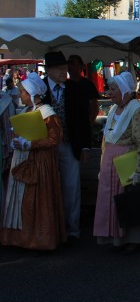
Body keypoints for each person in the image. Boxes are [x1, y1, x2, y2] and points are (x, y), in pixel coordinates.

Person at [93, 72, 140, 253]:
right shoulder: (114, 110)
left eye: (114, 89)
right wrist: (103, 164)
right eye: (110, 88)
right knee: (114, 201)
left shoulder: (136, 111)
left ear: (125, 91)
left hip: (128, 163)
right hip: (111, 163)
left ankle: (134, 239)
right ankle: (116, 238)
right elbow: (106, 140)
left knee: (130, 200)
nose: (110, 92)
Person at [1, 72, 66, 249]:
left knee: (39, 199)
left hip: (41, 161)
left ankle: (41, 240)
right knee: (25, 200)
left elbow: (55, 138)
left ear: (31, 94)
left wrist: (30, 143)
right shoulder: (27, 111)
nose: (20, 95)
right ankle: (23, 238)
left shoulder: (47, 113)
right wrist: (17, 142)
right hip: (25, 158)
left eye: (23, 92)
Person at [44, 51, 98, 242]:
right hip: (46, 146)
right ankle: (51, 229)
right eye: (59, 69)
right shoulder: (41, 89)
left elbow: (83, 118)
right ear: (48, 70)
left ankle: (72, 229)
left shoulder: (73, 88)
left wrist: (85, 146)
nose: (63, 72)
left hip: (69, 143)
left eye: (64, 68)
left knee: (71, 186)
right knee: (47, 187)